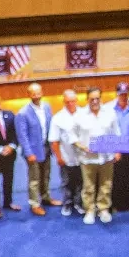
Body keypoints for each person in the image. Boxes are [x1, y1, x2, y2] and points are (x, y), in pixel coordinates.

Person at [76, 87, 118, 226]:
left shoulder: (110, 113)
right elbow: (72, 136)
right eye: (91, 99)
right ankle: (89, 210)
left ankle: (103, 209)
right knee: (88, 186)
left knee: (106, 185)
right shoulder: (80, 114)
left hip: (107, 157)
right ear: (86, 99)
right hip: (87, 157)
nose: (95, 101)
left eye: (97, 98)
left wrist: (117, 150)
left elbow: (116, 133)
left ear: (101, 98)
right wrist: (83, 146)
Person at [47, 89, 87, 219]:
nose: (71, 104)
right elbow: (54, 141)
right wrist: (59, 157)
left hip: (83, 157)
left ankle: (78, 203)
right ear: (64, 102)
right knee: (67, 182)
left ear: (77, 101)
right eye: (68, 101)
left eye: (73, 101)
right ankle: (67, 204)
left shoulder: (85, 113)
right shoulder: (58, 118)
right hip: (66, 157)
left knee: (81, 182)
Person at [18, 82, 54, 217]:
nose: (36, 95)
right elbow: (22, 136)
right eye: (33, 93)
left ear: (42, 92)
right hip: (33, 152)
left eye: (38, 92)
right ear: (29, 95)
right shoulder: (23, 113)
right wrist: (28, 153)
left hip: (46, 147)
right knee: (34, 179)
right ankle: (34, 203)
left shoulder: (47, 107)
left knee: (46, 175)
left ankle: (46, 197)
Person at [107, 82, 129, 214]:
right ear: (117, 94)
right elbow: (107, 130)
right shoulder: (108, 108)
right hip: (115, 148)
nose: (123, 97)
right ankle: (115, 203)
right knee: (115, 177)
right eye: (121, 94)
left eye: (126, 94)